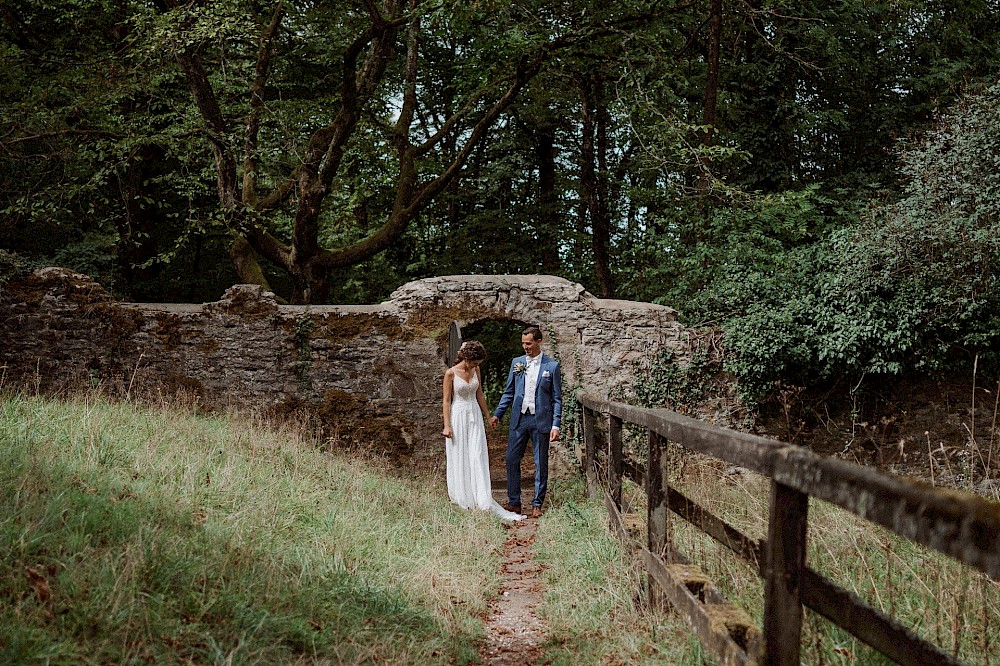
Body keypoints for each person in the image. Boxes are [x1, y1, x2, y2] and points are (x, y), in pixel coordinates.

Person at [443, 341, 526, 521]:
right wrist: (447, 425)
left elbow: (479, 394)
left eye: (478, 363)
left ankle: (481, 497)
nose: (476, 366)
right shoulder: (450, 374)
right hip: (458, 415)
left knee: (477, 453)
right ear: (466, 358)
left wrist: (488, 417)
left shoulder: (476, 371)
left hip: (474, 414)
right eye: (474, 363)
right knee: (461, 454)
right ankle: (463, 497)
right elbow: (446, 401)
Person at [490, 326, 562, 519]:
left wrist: (556, 424)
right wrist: (497, 414)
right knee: (511, 459)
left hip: (541, 421)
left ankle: (537, 503)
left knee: (540, 462)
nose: (525, 347)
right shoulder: (517, 363)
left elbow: (557, 398)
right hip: (519, 419)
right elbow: (509, 392)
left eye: (528, 343)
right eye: (523, 343)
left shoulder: (552, 366)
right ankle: (514, 502)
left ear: (539, 342)